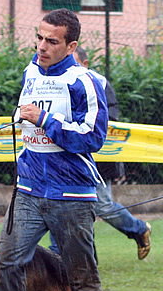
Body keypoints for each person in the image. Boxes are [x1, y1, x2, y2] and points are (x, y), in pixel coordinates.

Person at [0, 9, 109, 291]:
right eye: (39, 37)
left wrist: (45, 119)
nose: (42, 46)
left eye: (52, 41)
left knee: (81, 276)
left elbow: (93, 138)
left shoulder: (86, 82)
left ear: (71, 45)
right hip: (29, 190)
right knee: (6, 263)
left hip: (72, 196)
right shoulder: (30, 72)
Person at [48, 46, 152, 260]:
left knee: (101, 205)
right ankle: (66, 259)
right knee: (63, 204)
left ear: (84, 64)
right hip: (67, 159)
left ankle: (138, 229)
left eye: (72, 60)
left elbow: (108, 121)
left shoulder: (98, 83)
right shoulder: (59, 82)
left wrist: (75, 127)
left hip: (98, 160)